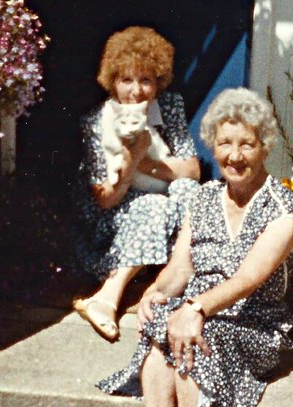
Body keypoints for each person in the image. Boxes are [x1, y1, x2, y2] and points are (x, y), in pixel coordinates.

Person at [97, 88, 293, 407]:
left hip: (254, 324)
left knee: (199, 338)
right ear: (212, 145)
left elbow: (248, 278)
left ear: (264, 148)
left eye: (247, 144)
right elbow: (181, 268)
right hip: (200, 314)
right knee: (162, 329)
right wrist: (156, 292)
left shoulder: (282, 209)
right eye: (225, 143)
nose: (234, 156)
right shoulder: (204, 198)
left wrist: (195, 309)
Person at [73, 26, 200, 341]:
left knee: (189, 191)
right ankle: (107, 297)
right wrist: (131, 163)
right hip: (111, 214)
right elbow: (106, 198)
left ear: (158, 82)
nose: (136, 91)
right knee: (155, 206)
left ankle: (177, 279)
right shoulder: (96, 122)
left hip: (156, 193)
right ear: (112, 81)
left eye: (145, 80)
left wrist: (145, 161)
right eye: (126, 80)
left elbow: (192, 169)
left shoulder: (169, 106)